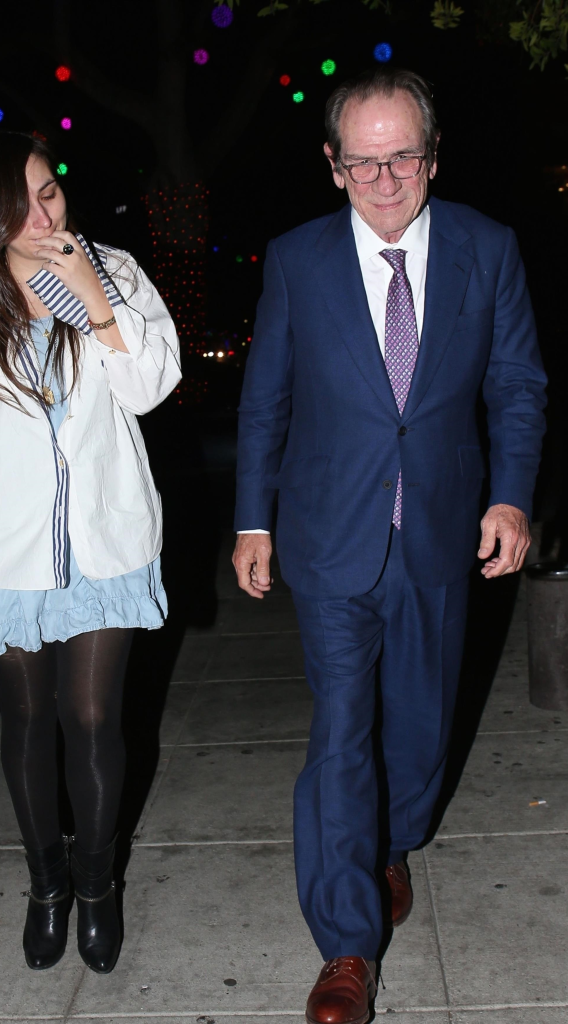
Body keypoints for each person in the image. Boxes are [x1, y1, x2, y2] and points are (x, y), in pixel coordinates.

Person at [232, 67, 546, 1024]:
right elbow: (266, 400)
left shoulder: (487, 250)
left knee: (417, 725)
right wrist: (252, 518)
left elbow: (517, 386)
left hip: (442, 532)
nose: (382, 177)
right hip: (329, 536)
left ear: (431, 157)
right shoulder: (295, 260)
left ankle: (390, 840)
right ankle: (345, 944)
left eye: (400, 155)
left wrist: (511, 499)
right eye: (361, 160)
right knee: (340, 736)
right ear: (332, 166)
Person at [0, 132, 181, 975]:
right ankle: (47, 885)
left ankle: (97, 885)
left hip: (105, 542)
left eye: (51, 193)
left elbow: (151, 388)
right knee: (27, 723)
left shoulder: (115, 274)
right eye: (20, 201)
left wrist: (93, 300)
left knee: (93, 717)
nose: (42, 214)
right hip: (6, 552)